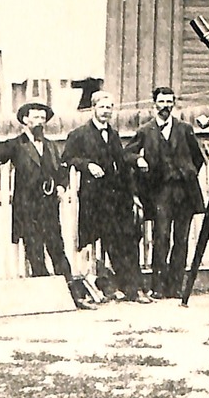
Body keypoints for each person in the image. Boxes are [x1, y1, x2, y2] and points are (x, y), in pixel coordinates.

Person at [0, 100, 88, 309]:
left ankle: (72, 295)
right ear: (25, 120)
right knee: (35, 251)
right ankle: (46, 298)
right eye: (35, 117)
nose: (40, 121)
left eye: (42, 118)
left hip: (49, 206)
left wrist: (62, 186)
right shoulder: (16, 144)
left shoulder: (51, 146)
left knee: (57, 249)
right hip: (27, 208)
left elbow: (61, 169)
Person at [61, 90, 147, 303]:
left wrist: (133, 194)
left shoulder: (115, 135)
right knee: (93, 246)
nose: (106, 111)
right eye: (102, 107)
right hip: (94, 199)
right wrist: (87, 165)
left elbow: (123, 166)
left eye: (109, 107)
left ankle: (133, 290)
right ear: (93, 108)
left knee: (126, 242)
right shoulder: (79, 135)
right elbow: (67, 159)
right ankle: (100, 288)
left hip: (118, 199)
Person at [134, 86, 205, 301]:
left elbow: (198, 157)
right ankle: (158, 286)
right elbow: (128, 152)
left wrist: (187, 173)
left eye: (169, 101)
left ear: (174, 104)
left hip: (184, 192)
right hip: (160, 191)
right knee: (161, 237)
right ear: (154, 104)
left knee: (181, 239)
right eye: (161, 102)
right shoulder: (146, 131)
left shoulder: (184, 129)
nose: (165, 106)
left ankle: (175, 286)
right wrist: (139, 160)